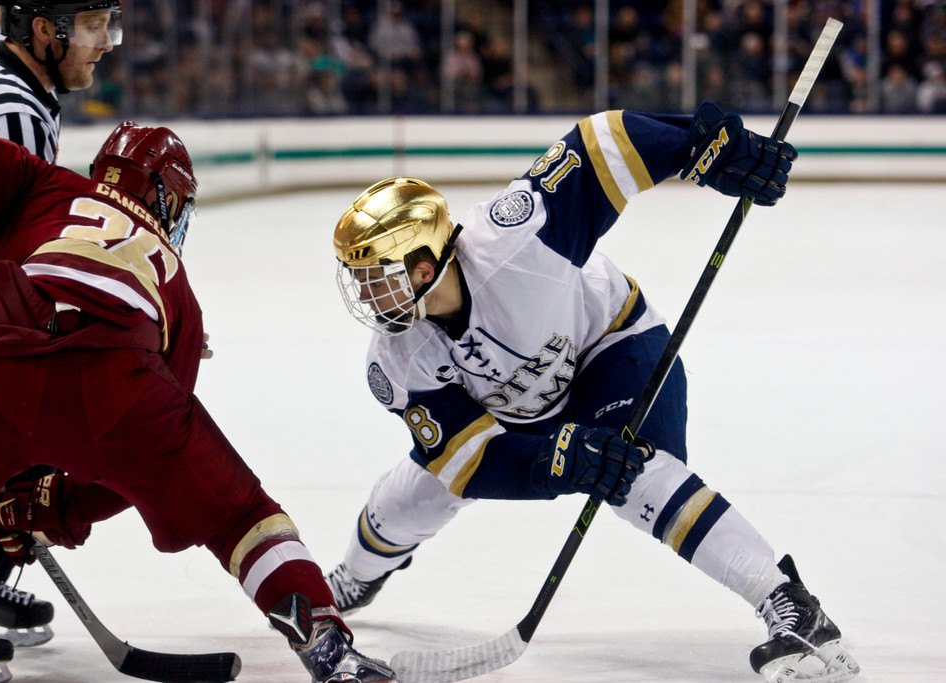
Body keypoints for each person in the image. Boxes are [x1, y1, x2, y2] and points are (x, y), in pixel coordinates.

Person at [325, 102, 859, 682]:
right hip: (513, 411)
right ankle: (356, 576)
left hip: (612, 347)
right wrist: (557, 464)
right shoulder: (397, 359)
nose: (366, 293)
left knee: (635, 474)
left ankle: (790, 605)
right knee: (411, 499)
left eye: (375, 275)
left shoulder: (516, 243)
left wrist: (703, 146)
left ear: (425, 266)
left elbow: (601, 143)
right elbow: (465, 457)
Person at [0, 112, 397, 683]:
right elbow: (141, 463)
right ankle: (327, 647)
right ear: (168, 197)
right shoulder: (179, 290)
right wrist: (55, 507)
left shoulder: (41, 185)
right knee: (243, 519)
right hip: (121, 384)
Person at [0, 0, 122, 676]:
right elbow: (17, 257)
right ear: (46, 32)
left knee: (19, 432)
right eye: (94, 27)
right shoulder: (11, 107)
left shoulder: (19, 90)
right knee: (22, 432)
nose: (107, 43)